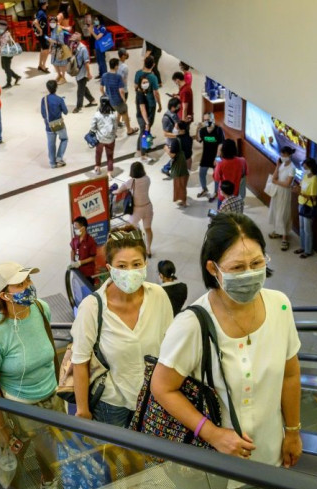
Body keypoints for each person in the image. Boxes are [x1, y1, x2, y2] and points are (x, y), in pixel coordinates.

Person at [151, 213, 302, 469]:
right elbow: (162, 387)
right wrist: (213, 434)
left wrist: (293, 432)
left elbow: (290, 375)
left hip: (268, 454)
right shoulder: (192, 324)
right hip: (211, 463)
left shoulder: (280, 306)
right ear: (213, 268)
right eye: (237, 268)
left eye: (257, 263)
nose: (250, 274)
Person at [0, 262, 63, 489]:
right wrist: (1, 426)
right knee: (16, 456)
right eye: (21, 284)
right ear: (4, 294)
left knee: (49, 449)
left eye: (28, 281)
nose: (29, 287)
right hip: (19, 407)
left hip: (51, 397)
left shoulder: (40, 308)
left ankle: (48, 482)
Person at [72, 225, 174, 426]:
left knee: (151, 454)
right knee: (115, 455)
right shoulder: (92, 307)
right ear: (110, 269)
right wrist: (82, 410)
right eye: (122, 266)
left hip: (153, 399)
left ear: (145, 263)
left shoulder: (159, 296)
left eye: (137, 264)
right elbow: (80, 362)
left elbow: (171, 347)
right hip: (112, 404)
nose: (130, 272)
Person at [114, 162, 154, 257]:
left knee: (129, 227)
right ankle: (148, 249)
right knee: (148, 229)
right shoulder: (147, 179)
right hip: (148, 207)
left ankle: (132, 247)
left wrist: (115, 191)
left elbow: (119, 190)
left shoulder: (131, 182)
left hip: (137, 209)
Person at [268, 146, 296, 251]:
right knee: (275, 211)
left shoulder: (292, 168)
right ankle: (277, 230)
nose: (282, 156)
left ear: (289, 155)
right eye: (281, 154)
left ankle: (284, 238)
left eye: (284, 155)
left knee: (283, 213)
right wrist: (277, 166)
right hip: (277, 192)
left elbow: (288, 184)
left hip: (285, 193)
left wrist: (276, 182)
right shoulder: (282, 164)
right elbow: (275, 176)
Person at [101, 58, 137, 136]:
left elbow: (101, 88)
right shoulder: (118, 77)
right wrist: (123, 99)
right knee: (125, 114)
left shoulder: (104, 75)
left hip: (110, 101)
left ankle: (116, 125)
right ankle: (129, 130)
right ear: (116, 66)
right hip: (118, 100)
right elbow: (121, 90)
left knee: (118, 113)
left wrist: (105, 95)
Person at [196, 111, 224, 199]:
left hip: (217, 156)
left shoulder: (218, 130)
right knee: (201, 173)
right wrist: (198, 129)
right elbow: (199, 139)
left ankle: (216, 192)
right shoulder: (203, 130)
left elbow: (221, 144)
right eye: (205, 120)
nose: (206, 121)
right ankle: (205, 189)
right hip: (206, 155)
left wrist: (217, 157)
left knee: (217, 175)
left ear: (213, 119)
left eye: (208, 119)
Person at [40, 79, 68, 168]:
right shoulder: (59, 99)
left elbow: (43, 113)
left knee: (51, 144)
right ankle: (59, 157)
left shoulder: (43, 99)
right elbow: (66, 112)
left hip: (48, 125)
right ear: (56, 87)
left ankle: (52, 163)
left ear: (47, 88)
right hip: (58, 124)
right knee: (64, 139)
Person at [295, 158, 317, 259]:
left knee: (307, 229)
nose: (304, 169)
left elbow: (313, 197)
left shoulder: (314, 179)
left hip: (308, 206)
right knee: (301, 227)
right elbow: (301, 187)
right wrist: (296, 189)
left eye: (306, 167)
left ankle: (308, 251)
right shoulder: (305, 176)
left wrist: (300, 193)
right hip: (301, 203)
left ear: (311, 167)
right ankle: (302, 247)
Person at [213, 139, 248, 206]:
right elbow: (245, 173)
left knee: (221, 215)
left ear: (223, 150)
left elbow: (216, 178)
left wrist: (218, 155)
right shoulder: (242, 160)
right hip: (236, 194)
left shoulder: (220, 163)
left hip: (224, 195)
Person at [90, 96, 117, 175]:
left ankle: (97, 167)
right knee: (110, 155)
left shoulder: (97, 114)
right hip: (110, 139)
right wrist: (114, 134)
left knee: (98, 153)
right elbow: (115, 127)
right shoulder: (113, 115)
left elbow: (92, 127)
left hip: (99, 139)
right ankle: (109, 173)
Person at [71, 33, 96, 114]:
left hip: (83, 72)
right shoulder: (73, 46)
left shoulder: (83, 49)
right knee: (83, 87)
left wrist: (89, 73)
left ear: (79, 40)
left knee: (80, 91)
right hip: (77, 72)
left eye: (74, 40)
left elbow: (87, 62)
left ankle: (78, 107)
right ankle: (92, 101)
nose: (72, 42)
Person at [133, 56, 162, 123]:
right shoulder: (153, 77)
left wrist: (136, 97)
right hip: (150, 102)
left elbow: (135, 87)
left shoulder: (138, 73)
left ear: (144, 63)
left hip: (140, 100)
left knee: (141, 118)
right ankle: (146, 132)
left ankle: (144, 131)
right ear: (153, 65)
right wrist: (160, 105)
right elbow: (156, 93)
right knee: (149, 122)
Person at [69, 216, 98, 282]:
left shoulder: (90, 241)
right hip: (77, 271)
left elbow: (93, 257)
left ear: (83, 228)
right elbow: (72, 250)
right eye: (74, 228)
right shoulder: (75, 239)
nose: (75, 230)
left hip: (87, 273)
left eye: (76, 228)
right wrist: (72, 261)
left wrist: (80, 263)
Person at [0, 23, 20, 90]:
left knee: (7, 68)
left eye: (0, 28)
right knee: (4, 67)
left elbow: (4, 44)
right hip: (4, 53)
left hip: (7, 53)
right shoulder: (0, 34)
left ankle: (9, 83)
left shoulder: (7, 34)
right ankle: (16, 76)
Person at [135, 75, 156, 161]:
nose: (146, 84)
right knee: (144, 134)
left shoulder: (142, 92)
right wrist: (147, 122)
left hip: (143, 116)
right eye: (143, 82)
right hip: (143, 117)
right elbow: (142, 109)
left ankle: (140, 149)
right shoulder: (141, 94)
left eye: (146, 82)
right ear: (140, 84)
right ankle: (143, 154)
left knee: (143, 133)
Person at [160, 97, 182, 177]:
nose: (179, 108)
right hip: (171, 141)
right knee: (176, 156)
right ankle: (166, 168)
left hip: (176, 140)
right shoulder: (166, 118)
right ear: (172, 107)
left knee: (177, 156)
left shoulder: (175, 114)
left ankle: (166, 168)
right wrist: (177, 134)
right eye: (177, 107)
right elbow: (165, 134)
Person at [47, 16, 69, 84]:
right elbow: (51, 40)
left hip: (60, 48)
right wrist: (50, 47)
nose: (52, 23)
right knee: (54, 62)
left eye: (53, 22)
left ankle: (63, 78)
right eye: (50, 22)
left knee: (62, 64)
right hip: (54, 48)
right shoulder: (52, 29)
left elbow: (61, 42)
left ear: (56, 22)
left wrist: (52, 41)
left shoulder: (59, 29)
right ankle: (59, 75)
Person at [170, 137, 189, 208]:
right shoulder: (186, 138)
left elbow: (172, 155)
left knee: (180, 184)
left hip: (179, 168)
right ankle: (182, 199)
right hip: (185, 164)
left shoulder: (175, 141)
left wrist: (166, 149)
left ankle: (183, 201)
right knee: (182, 184)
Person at [33, 0, 51, 73]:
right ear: (43, 4)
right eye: (46, 3)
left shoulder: (41, 11)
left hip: (43, 35)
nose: (47, 4)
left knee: (43, 49)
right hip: (43, 35)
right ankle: (43, 66)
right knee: (46, 49)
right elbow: (35, 22)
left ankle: (40, 65)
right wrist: (40, 30)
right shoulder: (41, 12)